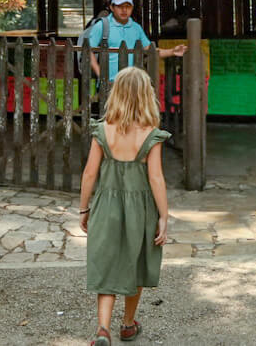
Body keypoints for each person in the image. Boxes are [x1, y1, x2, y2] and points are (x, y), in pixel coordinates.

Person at [78, 66, 171, 346]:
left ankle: (103, 329)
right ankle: (128, 324)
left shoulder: (103, 131)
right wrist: (164, 216)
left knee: (107, 264)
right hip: (140, 210)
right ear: (146, 96)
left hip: (107, 205)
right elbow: (156, 177)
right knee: (136, 264)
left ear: (115, 95)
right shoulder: (151, 134)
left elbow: (89, 173)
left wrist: (84, 209)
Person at [86, 0, 187, 85]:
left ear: (132, 8)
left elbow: (149, 50)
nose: (124, 10)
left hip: (132, 83)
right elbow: (88, 51)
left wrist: (172, 51)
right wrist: (101, 75)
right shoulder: (102, 26)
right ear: (112, 8)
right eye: (120, 6)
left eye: (128, 6)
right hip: (110, 83)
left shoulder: (136, 28)